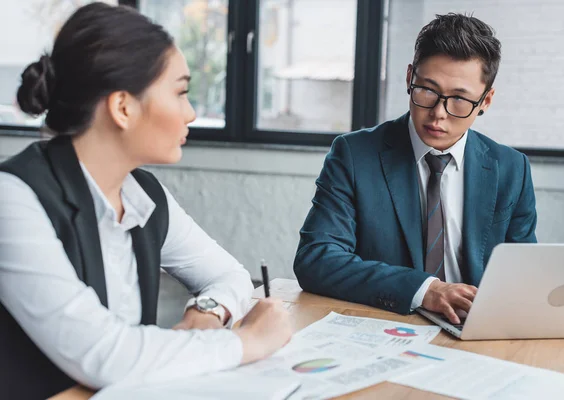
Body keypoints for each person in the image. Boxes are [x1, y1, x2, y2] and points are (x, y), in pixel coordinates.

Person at [0, 3, 292, 399]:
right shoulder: (13, 198)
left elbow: (231, 275)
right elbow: (104, 354)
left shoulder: (143, 194)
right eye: (181, 92)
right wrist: (248, 341)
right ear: (123, 107)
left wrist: (207, 313)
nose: (190, 113)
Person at [294, 13, 536, 326]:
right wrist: (425, 290)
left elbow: (524, 274)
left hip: (475, 332)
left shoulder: (511, 169)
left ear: (485, 101)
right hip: (387, 325)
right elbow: (317, 259)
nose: (438, 113)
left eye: (460, 100)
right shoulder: (354, 154)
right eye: (427, 90)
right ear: (410, 77)